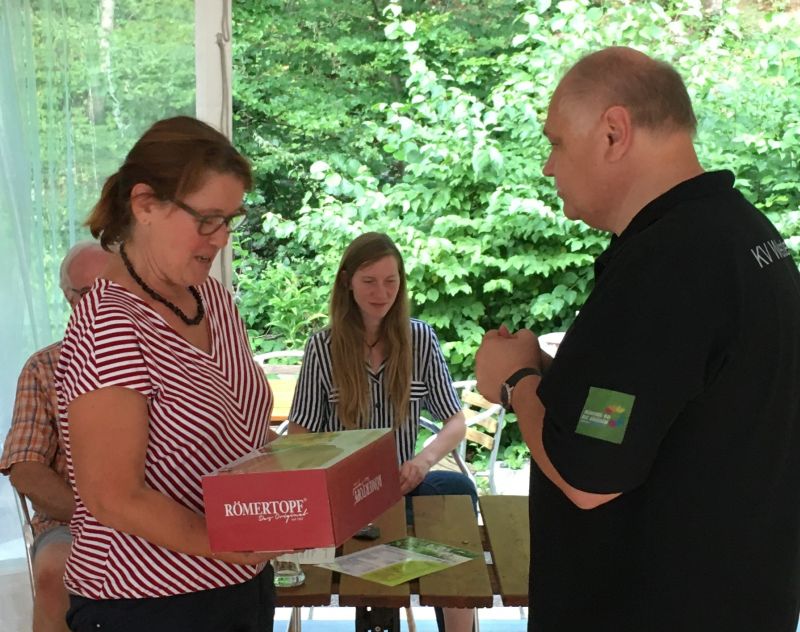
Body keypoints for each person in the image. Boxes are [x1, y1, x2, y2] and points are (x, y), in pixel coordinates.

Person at [475, 46, 800, 632]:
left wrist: (517, 380)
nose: (549, 167)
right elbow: (664, 412)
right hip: (740, 595)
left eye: (556, 143)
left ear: (613, 132)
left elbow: (588, 474)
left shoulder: (670, 265)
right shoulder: (745, 233)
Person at [54, 116, 281, 632]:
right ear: (145, 205)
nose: (221, 238)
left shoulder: (215, 301)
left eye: (230, 220)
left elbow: (237, 434)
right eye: (208, 219)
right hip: (146, 604)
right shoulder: (108, 321)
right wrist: (228, 543)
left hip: (239, 584)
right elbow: (112, 496)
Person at [288, 232, 477, 632]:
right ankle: (383, 608)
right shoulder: (322, 346)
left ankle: (460, 620)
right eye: (369, 281)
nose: (381, 292)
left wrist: (423, 461)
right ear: (347, 282)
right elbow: (301, 433)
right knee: (381, 548)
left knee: (458, 493)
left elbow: (454, 422)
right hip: (344, 498)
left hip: (399, 486)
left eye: (391, 281)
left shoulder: (420, 338)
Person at [1, 241, 110, 632]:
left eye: (114, 290)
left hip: (161, 513)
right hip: (73, 520)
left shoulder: (160, 361)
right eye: (90, 293)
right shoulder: (44, 367)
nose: (105, 303)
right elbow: (25, 468)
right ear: (69, 299)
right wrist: (97, 517)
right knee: (55, 569)